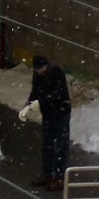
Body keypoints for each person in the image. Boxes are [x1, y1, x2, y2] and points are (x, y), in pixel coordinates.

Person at [21, 54, 72, 189]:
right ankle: (47, 173)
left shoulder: (55, 72)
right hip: (48, 114)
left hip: (60, 113)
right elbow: (36, 90)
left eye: (41, 69)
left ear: (46, 66)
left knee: (60, 145)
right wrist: (28, 105)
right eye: (37, 70)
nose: (39, 72)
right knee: (47, 144)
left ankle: (59, 177)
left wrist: (40, 102)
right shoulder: (38, 74)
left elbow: (58, 94)